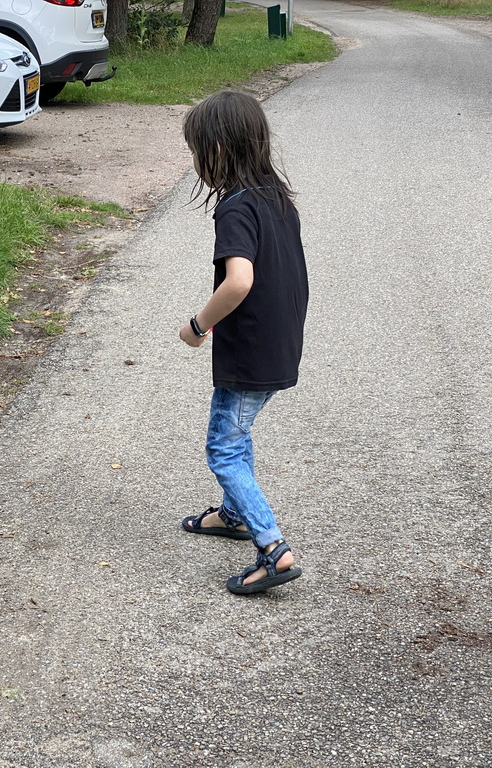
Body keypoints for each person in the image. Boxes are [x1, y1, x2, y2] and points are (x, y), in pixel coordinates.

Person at [177, 90, 308, 595]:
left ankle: (274, 550)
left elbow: (238, 282)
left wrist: (197, 325)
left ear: (220, 149)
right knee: (239, 431)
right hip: (278, 341)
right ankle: (233, 514)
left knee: (224, 449)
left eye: (197, 152)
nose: (195, 164)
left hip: (250, 350)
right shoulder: (275, 197)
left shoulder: (235, 208)